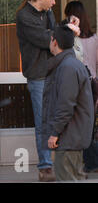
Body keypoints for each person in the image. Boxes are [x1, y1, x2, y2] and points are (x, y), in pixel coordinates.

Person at [15, 0, 57, 181]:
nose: (54, 3)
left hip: (54, 73)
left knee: (62, 118)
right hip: (38, 76)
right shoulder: (24, 16)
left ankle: (64, 160)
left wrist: (65, 26)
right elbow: (47, 40)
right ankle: (45, 166)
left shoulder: (48, 13)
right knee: (43, 122)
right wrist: (57, 34)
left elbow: (54, 35)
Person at [42, 25, 95, 181]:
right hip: (73, 136)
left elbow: (65, 106)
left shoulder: (67, 68)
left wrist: (54, 133)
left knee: (67, 178)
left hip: (68, 138)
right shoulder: (70, 65)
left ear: (55, 42)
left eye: (51, 39)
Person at [64, 1, 98, 173]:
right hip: (93, 85)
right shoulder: (95, 39)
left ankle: (84, 162)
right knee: (89, 124)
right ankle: (90, 162)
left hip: (77, 85)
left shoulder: (70, 39)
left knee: (76, 124)